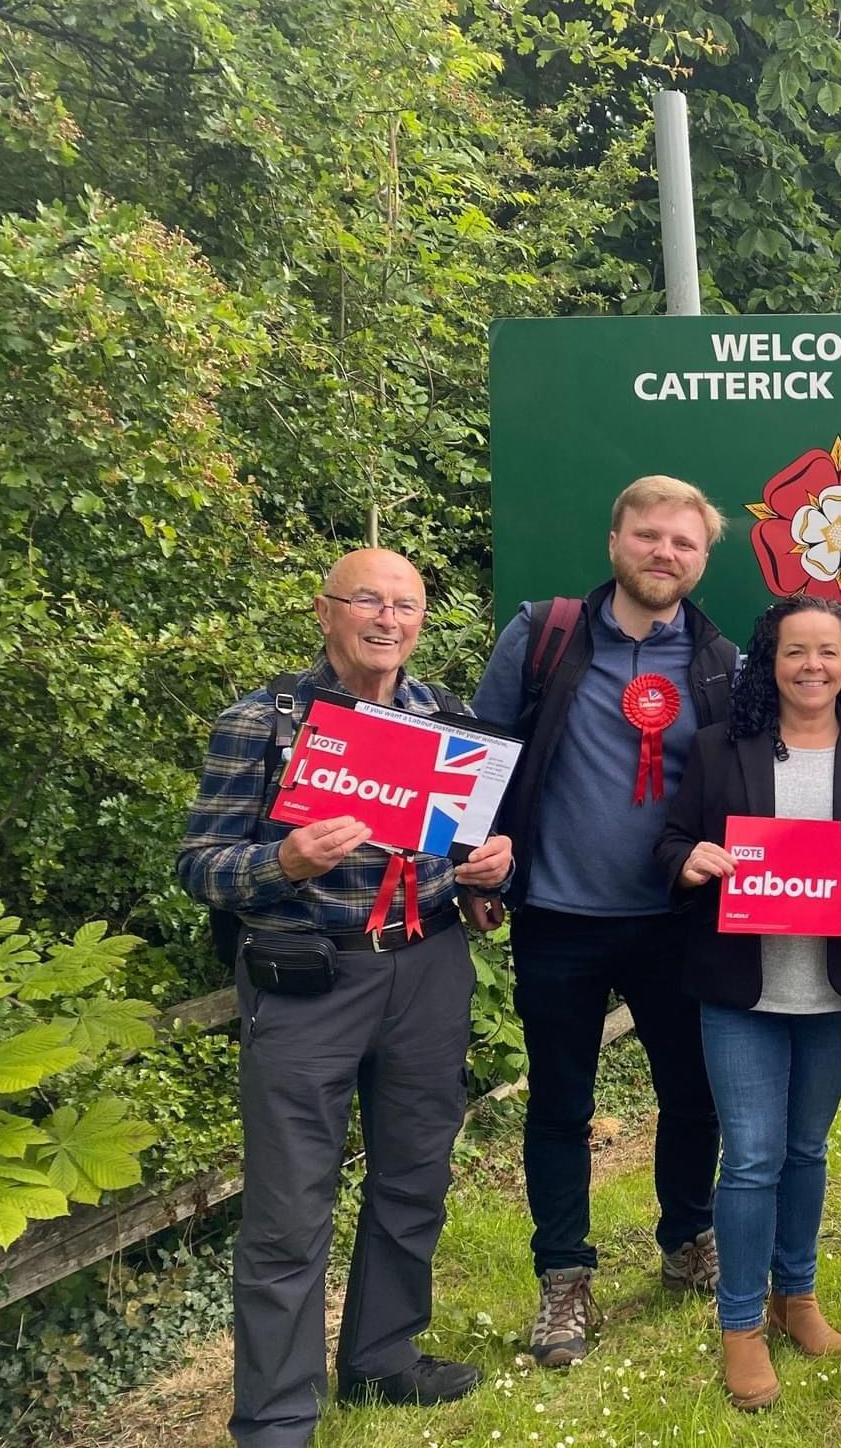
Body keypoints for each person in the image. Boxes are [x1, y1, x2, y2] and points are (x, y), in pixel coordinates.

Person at [179, 549, 513, 1448]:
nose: (387, 620)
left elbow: (476, 859)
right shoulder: (262, 723)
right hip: (306, 978)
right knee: (289, 1206)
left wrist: (492, 871)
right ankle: (278, 1417)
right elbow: (199, 866)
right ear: (325, 611)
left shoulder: (451, 724)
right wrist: (281, 861)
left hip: (427, 967)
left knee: (414, 1176)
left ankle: (382, 1360)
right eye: (367, 600)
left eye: (406, 605)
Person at [470, 475, 737, 1368]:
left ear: (703, 560)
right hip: (556, 916)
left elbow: (746, 787)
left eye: (684, 543)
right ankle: (564, 1280)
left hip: (675, 920)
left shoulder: (716, 660)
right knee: (559, 1104)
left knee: (692, 1099)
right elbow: (481, 757)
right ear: (615, 539)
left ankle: (686, 1237)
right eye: (649, 535)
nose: (665, 553)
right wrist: (477, 868)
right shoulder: (542, 636)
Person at [657, 596, 841, 1410]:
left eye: (828, 653)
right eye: (793, 652)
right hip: (741, 986)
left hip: (834, 988)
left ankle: (797, 1298)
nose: (812, 666)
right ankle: (739, 1325)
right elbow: (669, 845)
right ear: (767, 663)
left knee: (806, 1151)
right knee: (750, 1157)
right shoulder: (719, 749)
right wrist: (692, 859)